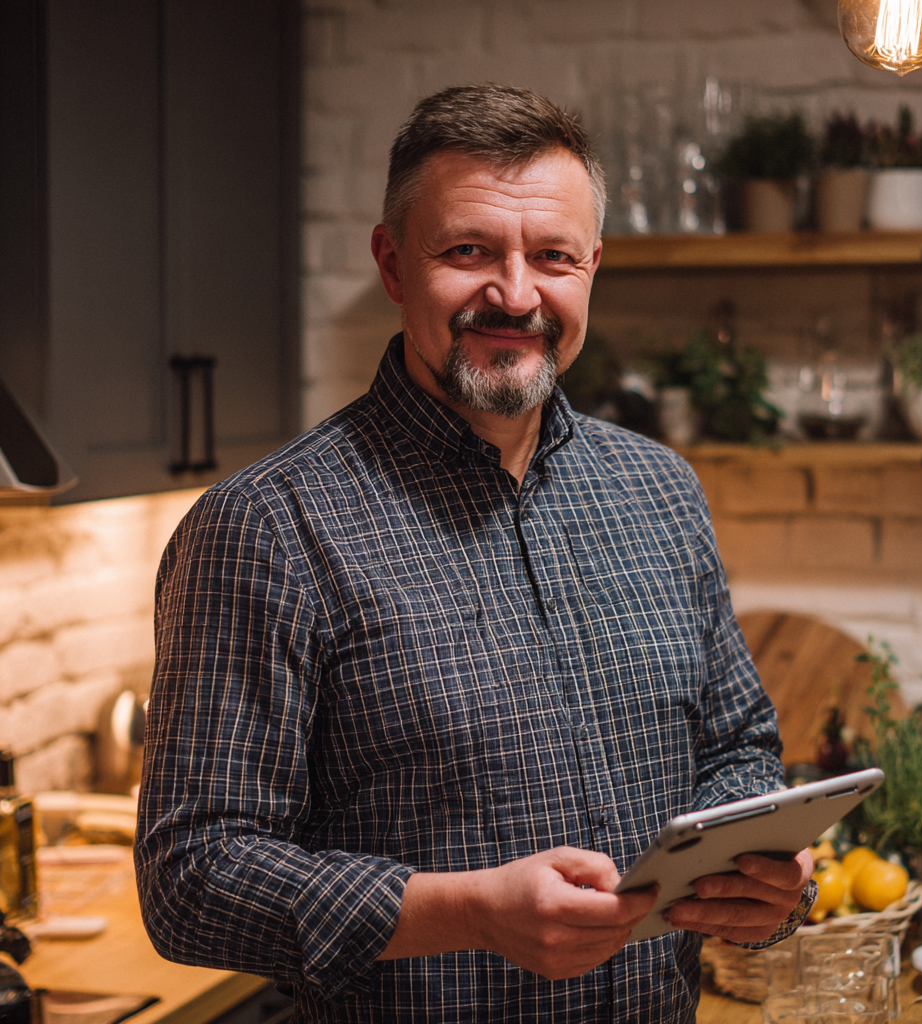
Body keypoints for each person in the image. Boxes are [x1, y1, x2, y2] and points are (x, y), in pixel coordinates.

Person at [136, 84, 815, 1024]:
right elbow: (192, 880)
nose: (516, 294)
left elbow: (737, 747)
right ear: (391, 262)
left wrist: (765, 876)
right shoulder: (265, 526)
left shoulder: (661, 491)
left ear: (592, 268)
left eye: (553, 257)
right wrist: (467, 914)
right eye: (469, 251)